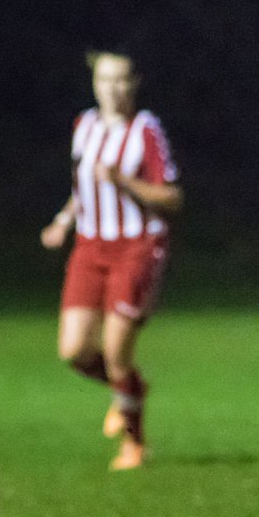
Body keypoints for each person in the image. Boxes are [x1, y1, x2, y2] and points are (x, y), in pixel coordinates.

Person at [40, 50, 183, 470]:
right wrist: (62, 222)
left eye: (121, 80)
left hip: (137, 246)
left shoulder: (146, 129)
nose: (113, 89)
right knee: (73, 350)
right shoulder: (83, 126)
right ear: (94, 83)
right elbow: (81, 187)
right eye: (105, 80)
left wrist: (122, 180)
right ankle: (131, 391)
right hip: (90, 247)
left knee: (115, 351)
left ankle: (134, 445)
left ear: (134, 83)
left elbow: (172, 196)